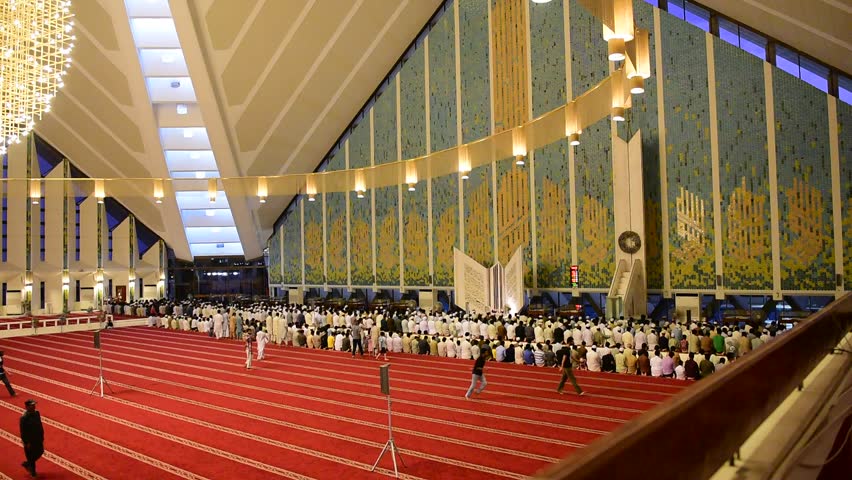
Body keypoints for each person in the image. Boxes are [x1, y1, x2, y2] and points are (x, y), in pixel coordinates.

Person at [20, 399, 44, 478]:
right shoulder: (24, 418)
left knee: (40, 451)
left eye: (34, 405)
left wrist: (42, 435)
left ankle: (27, 464)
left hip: (38, 438)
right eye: (32, 405)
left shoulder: (37, 413)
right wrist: (27, 442)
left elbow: (40, 425)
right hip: (30, 440)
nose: (34, 406)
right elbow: (23, 432)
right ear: (27, 407)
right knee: (31, 456)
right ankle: (33, 473)